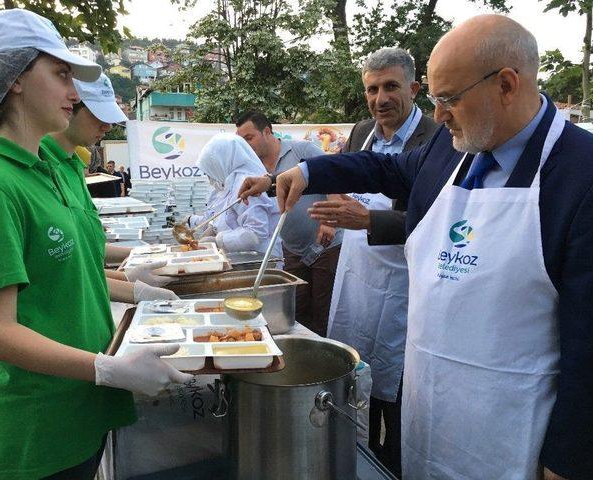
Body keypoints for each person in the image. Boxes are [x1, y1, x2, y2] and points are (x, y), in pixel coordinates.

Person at [239, 15, 593, 480]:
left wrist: (569, 460)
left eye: (450, 100)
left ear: (507, 85)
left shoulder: (580, 175)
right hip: (431, 406)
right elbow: (384, 169)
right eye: (435, 99)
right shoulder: (452, 148)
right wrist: (308, 174)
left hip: (511, 427)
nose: (440, 116)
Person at [0, 9, 192, 479]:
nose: (73, 92)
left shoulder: (44, 169)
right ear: (16, 78)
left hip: (81, 399)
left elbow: (65, 270)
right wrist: (107, 369)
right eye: (61, 74)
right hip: (43, 416)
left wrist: (137, 287)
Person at [315, 48, 436, 476]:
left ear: (415, 89)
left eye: (391, 87)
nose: (380, 98)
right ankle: (357, 461)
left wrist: (370, 219)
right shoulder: (363, 131)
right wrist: (334, 203)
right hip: (357, 277)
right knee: (355, 378)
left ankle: (394, 466)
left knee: (397, 396)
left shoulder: (435, 140)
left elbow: (438, 218)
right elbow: (341, 178)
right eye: (372, 88)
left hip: (405, 286)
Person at [40, 73, 176, 304]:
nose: (108, 126)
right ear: (69, 106)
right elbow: (49, 273)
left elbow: (82, 253)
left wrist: (128, 271)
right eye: (97, 116)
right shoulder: (40, 167)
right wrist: (131, 290)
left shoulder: (71, 165)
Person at [236, 111, 342, 336]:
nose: (246, 144)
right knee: (296, 313)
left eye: (249, 137)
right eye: (241, 140)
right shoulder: (256, 167)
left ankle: (325, 363)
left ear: (267, 131)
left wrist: (330, 220)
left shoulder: (301, 150)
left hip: (326, 246)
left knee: (323, 312)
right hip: (292, 249)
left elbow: (333, 176)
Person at [195, 133, 282, 258]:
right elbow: (227, 216)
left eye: (211, 170)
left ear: (222, 162)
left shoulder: (245, 182)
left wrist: (218, 241)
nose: (210, 178)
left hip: (260, 261)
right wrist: (213, 229)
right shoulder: (231, 182)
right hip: (243, 260)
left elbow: (256, 233)